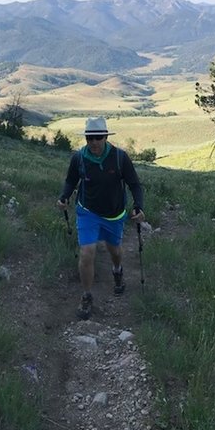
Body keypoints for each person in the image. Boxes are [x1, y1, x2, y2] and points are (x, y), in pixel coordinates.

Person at [57, 116, 145, 320]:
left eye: (98, 137)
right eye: (90, 138)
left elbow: (135, 184)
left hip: (114, 214)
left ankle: (117, 270)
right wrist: (64, 196)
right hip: (87, 211)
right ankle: (86, 296)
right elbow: (71, 181)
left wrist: (138, 206)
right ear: (86, 139)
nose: (94, 142)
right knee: (87, 252)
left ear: (106, 136)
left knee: (114, 250)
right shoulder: (78, 158)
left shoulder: (119, 158)